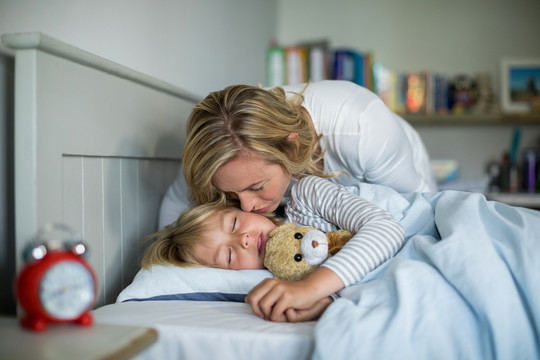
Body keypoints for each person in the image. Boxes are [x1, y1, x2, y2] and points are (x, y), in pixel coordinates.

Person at [158, 80, 437, 229]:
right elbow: (175, 206)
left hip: (398, 162)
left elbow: (423, 213)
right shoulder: (223, 142)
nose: (245, 207)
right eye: (232, 195)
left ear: (291, 147)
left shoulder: (364, 130)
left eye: (256, 187)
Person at [144, 176, 405, 322]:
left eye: (234, 223)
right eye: (229, 255)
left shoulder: (307, 196)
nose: (244, 240)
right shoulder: (285, 274)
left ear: (239, 206)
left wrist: (309, 289)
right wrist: (328, 301)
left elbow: (386, 230)